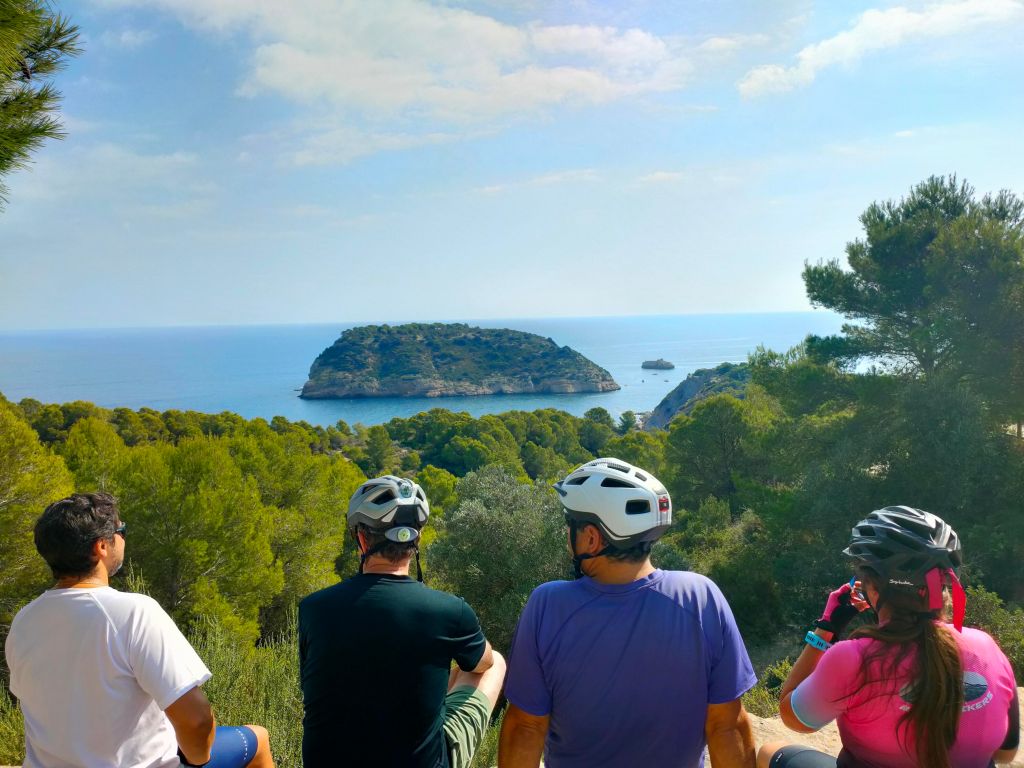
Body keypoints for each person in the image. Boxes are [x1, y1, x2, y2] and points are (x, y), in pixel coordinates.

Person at [498, 457, 758, 768]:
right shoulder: (701, 597)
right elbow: (727, 726)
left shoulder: (548, 604)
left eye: (571, 525)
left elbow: (527, 727)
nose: (568, 535)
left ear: (591, 538)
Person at [4, 492, 274, 768]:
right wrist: (197, 763)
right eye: (121, 531)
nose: (124, 538)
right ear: (101, 547)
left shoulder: (24, 621)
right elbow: (197, 720)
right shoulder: (133, 612)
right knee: (259, 739)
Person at [758, 505, 1020, 768]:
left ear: (872, 588)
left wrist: (826, 629)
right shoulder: (985, 647)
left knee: (770, 751)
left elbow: (794, 718)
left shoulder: (853, 659)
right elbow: (1005, 753)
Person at [299, 475, 506, 768]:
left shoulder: (313, 608)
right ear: (416, 540)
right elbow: (482, 665)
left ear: (361, 539)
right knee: (493, 662)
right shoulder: (449, 611)